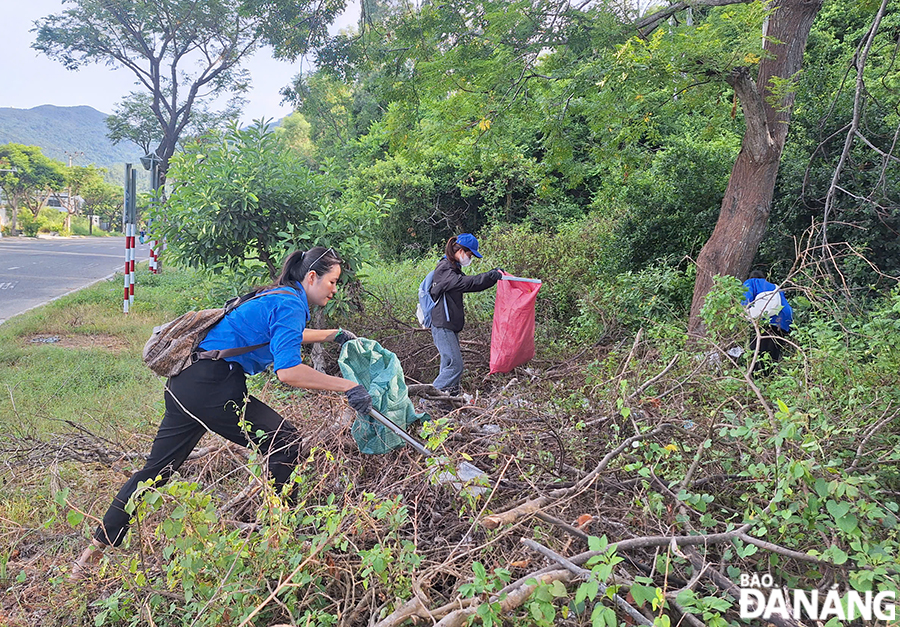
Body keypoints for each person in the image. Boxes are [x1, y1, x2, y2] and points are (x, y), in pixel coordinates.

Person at [71, 246, 372, 578]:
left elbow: (283, 336)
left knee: (155, 472)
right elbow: (288, 372)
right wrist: (348, 386)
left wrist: (334, 334)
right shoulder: (290, 304)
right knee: (285, 440)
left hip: (185, 383)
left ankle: (87, 559)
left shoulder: (278, 295)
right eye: (332, 281)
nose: (334, 289)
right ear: (312, 277)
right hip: (215, 385)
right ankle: (286, 538)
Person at [429, 233, 501, 396]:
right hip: (442, 325)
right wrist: (489, 276)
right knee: (455, 365)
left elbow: (471, 284)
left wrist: (491, 277)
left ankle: (447, 402)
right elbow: (465, 283)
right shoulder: (445, 268)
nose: (470, 258)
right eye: (470, 254)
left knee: (448, 364)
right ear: (461, 250)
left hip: (448, 325)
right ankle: (427, 400)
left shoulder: (453, 269)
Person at [742, 269, 793, 372]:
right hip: (784, 318)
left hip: (767, 317)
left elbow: (745, 302)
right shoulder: (774, 286)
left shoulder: (751, 282)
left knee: (756, 347)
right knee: (774, 349)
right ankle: (770, 375)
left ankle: (754, 374)